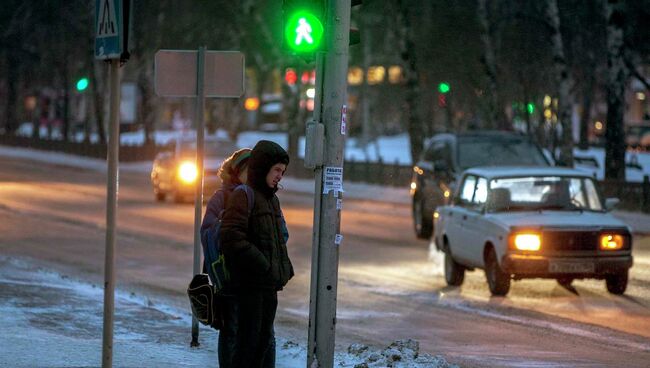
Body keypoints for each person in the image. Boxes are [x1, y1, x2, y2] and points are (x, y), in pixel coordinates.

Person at [220, 140, 294, 368]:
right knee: (247, 346)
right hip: (250, 287)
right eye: (276, 170)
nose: (280, 176)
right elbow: (231, 238)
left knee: (261, 344)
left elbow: (275, 240)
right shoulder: (244, 196)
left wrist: (282, 270)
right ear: (262, 168)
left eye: (282, 171)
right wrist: (263, 265)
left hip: (268, 287)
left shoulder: (271, 199)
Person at [201, 148, 261, 368]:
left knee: (261, 330)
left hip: (256, 277)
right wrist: (226, 222)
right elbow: (207, 234)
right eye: (249, 171)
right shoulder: (222, 197)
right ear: (238, 173)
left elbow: (280, 234)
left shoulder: (262, 197)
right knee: (231, 329)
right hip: (229, 278)